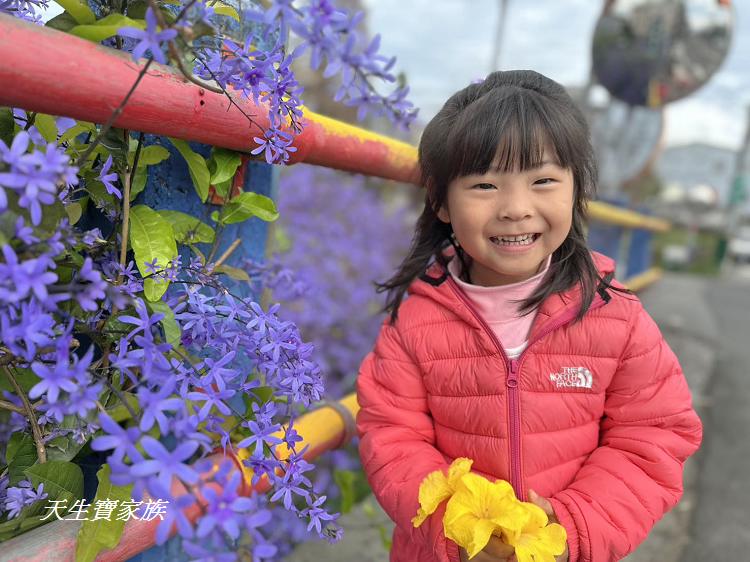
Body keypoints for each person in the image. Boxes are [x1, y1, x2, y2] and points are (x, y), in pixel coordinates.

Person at [355, 70, 702, 562]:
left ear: (576, 191)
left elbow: (654, 434)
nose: (516, 208)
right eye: (484, 185)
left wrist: (574, 528)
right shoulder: (413, 325)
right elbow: (391, 437)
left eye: (543, 180)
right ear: (441, 202)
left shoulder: (615, 316)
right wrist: (458, 528)